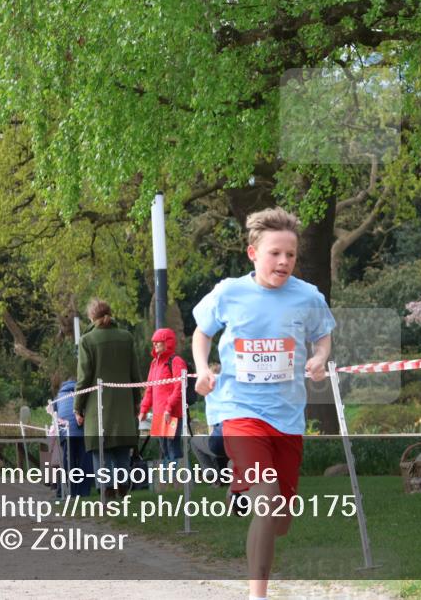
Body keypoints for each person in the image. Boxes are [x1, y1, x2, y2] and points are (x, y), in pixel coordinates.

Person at [192, 207, 336, 600]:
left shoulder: (308, 297)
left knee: (281, 520)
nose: (284, 262)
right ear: (253, 253)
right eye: (275, 253)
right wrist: (203, 369)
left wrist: (320, 358)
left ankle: (239, 490)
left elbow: (323, 336)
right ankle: (258, 595)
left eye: (290, 254)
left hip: (287, 417)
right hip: (238, 410)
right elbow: (201, 333)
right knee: (268, 498)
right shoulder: (229, 292)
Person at [73, 298, 142, 500]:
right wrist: (136, 401)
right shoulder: (126, 337)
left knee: (100, 451)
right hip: (123, 403)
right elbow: (134, 373)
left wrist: (78, 408)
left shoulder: (87, 341)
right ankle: (122, 486)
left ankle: (107, 490)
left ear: (91, 317)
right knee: (121, 447)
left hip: (97, 405)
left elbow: (83, 378)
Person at [139, 328, 187, 464]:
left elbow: (179, 388)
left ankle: (179, 482)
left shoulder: (176, 361)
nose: (155, 344)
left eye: (158, 341)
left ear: (168, 342)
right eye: (153, 342)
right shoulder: (154, 364)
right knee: (164, 449)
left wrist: (169, 408)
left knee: (173, 449)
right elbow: (149, 389)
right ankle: (169, 482)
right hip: (159, 414)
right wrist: (143, 409)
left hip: (172, 413)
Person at [55, 378, 95, 497]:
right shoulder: (84, 391)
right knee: (85, 461)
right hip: (81, 430)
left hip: (65, 432)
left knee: (68, 462)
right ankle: (83, 492)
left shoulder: (59, 395)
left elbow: (56, 414)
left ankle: (67, 491)